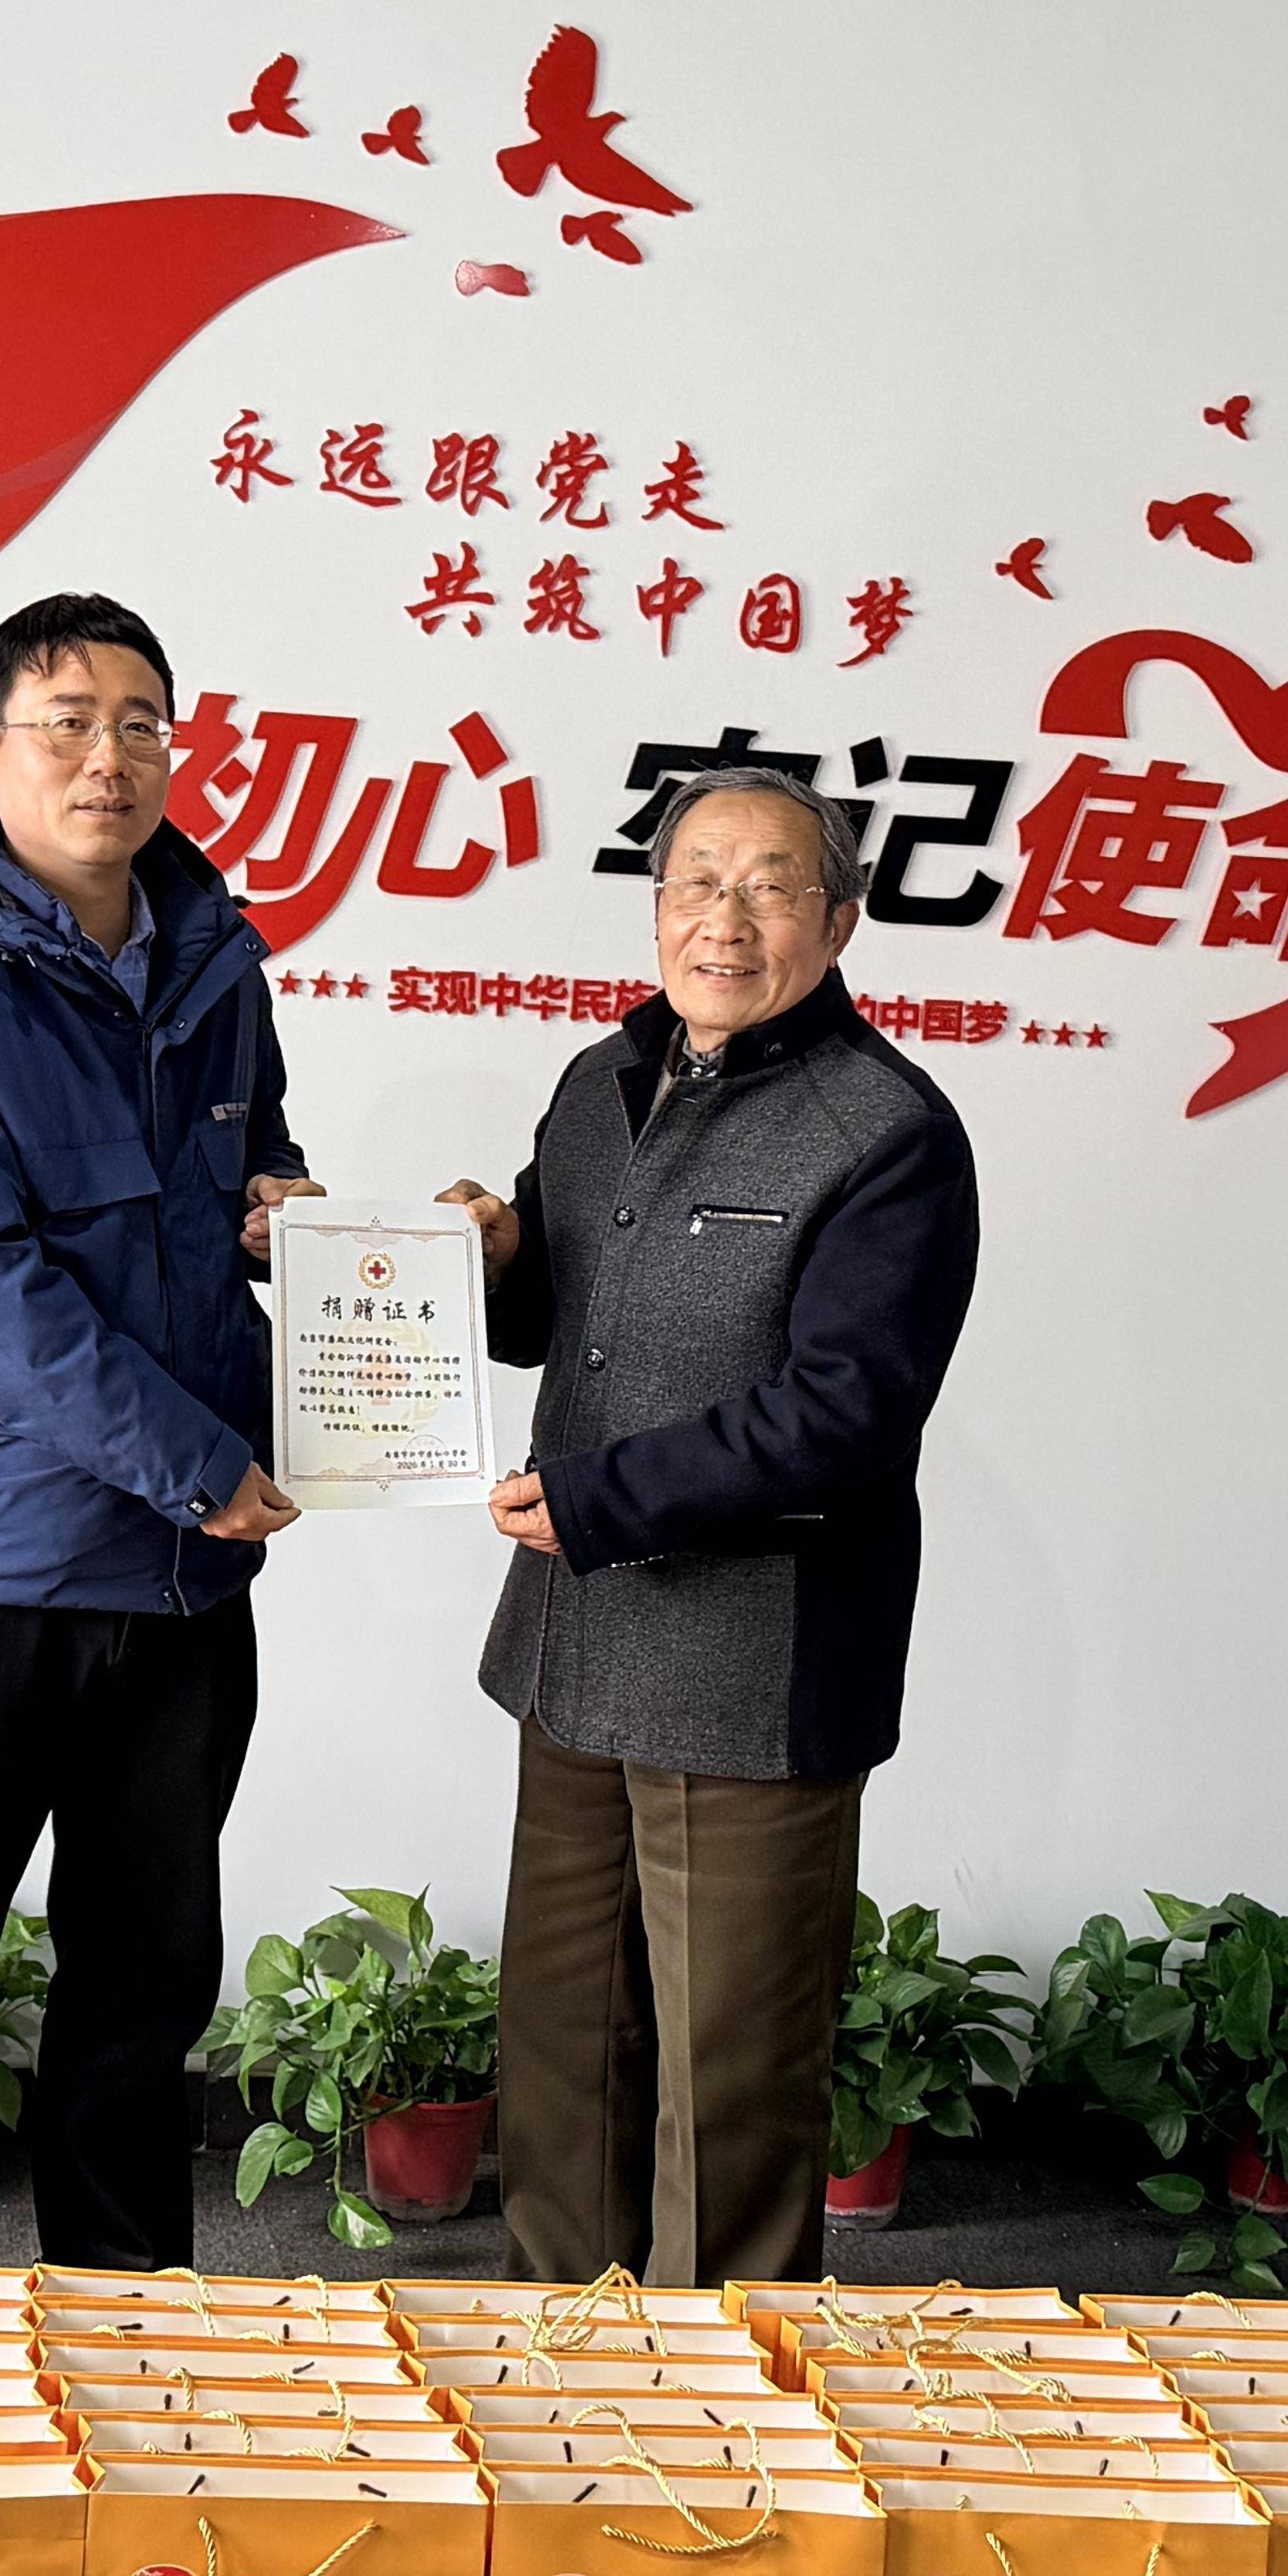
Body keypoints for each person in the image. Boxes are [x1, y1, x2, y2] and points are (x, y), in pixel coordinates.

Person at [0, 591, 320, 2267]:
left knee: (145, 1981)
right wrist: (196, 1462)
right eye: (66, 723)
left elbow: (248, 1169)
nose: (109, 757)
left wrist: (293, 1216)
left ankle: (125, 2321)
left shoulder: (213, 962)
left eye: (140, 726)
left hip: (181, 1581)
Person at [441, 762, 982, 2287]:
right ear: (657, 905)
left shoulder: (886, 1132)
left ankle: (720, 2394)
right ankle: (561, 2354)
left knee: (726, 2084)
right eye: (696, 882)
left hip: (752, 1671)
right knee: (567, 2053)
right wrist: (489, 1256)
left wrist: (599, 1499)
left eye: (769, 887)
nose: (723, 920)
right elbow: (559, 1318)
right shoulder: (600, 1086)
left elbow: (846, 1416)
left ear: (841, 920)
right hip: (573, 1650)